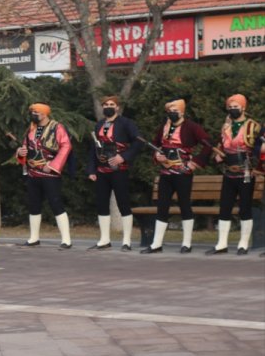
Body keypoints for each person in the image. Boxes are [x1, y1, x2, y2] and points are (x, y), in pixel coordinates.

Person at [141, 98, 211, 254]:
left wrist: (195, 162)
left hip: (183, 172)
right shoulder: (164, 127)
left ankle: (187, 243)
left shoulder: (192, 127)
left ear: (182, 111)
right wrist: (157, 156)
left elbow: (208, 144)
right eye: (170, 111)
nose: (172, 114)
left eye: (175, 111)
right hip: (165, 172)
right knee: (162, 205)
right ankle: (156, 243)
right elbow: (156, 144)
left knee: (184, 205)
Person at [206, 94, 261, 255]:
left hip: (245, 172)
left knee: (245, 207)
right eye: (230, 107)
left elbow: (258, 149)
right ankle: (221, 244)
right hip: (229, 171)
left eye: (236, 107)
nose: (232, 109)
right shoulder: (226, 126)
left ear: (243, 108)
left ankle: (243, 244)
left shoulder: (253, 126)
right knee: (225, 207)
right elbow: (221, 146)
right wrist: (218, 155)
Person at [86, 96, 143, 251]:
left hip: (120, 170)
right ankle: (104, 240)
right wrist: (91, 169)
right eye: (105, 105)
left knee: (123, 203)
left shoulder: (126, 123)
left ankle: (126, 241)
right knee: (101, 204)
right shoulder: (99, 125)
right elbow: (94, 149)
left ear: (117, 107)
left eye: (112, 104)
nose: (108, 107)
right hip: (101, 171)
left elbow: (138, 142)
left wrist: (123, 157)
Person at [16, 103, 73, 249]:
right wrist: (20, 153)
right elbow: (25, 146)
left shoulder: (57, 127)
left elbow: (66, 146)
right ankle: (34, 238)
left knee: (56, 204)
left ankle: (66, 239)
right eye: (32, 112)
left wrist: (53, 165)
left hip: (50, 173)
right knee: (33, 205)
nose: (33, 114)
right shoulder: (31, 128)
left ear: (44, 114)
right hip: (32, 173)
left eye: (36, 112)